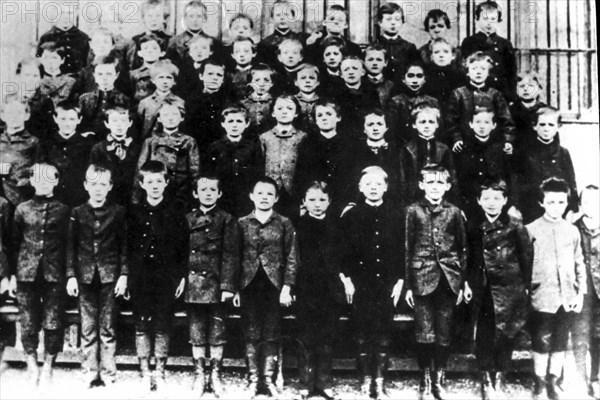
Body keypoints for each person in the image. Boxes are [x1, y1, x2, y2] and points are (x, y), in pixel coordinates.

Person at [339, 166, 404, 399]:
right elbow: (342, 254)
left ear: (386, 187)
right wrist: (347, 281)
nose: (373, 188)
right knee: (362, 332)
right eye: (368, 184)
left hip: (387, 284)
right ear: (360, 187)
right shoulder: (351, 216)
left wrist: (399, 281)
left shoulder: (396, 215)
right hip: (360, 284)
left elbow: (401, 252)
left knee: (383, 332)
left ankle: (380, 380)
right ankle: (366, 380)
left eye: (378, 184)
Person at [465, 179, 532, 400]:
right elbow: (469, 258)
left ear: (504, 201)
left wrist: (525, 287)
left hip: (509, 288)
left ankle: (500, 377)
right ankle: (486, 379)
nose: (491, 203)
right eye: (486, 198)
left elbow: (526, 258)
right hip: (484, 289)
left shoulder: (515, 225)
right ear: (478, 201)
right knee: (484, 334)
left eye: (496, 198)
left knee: (507, 334)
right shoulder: (474, 227)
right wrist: (468, 283)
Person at [404, 164, 467, 400]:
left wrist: (462, 282)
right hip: (421, 278)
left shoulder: (454, 212)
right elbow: (407, 248)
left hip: (449, 279)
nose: (435, 187)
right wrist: (409, 285)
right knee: (424, 331)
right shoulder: (412, 211)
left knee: (444, 331)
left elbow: (463, 249)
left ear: (448, 186)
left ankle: (440, 377)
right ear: (421, 185)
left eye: (440, 183)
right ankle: (425, 378)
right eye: (430, 182)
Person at [127, 160, 189, 392]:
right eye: (149, 182)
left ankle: (160, 372)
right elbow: (127, 246)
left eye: (159, 181)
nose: (154, 186)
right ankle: (145, 372)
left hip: (166, 278)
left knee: (163, 324)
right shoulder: (134, 212)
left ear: (166, 183)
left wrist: (181, 276)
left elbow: (184, 247)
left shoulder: (175, 212)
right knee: (142, 324)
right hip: (140, 277)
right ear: (142, 184)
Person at [234, 177, 298, 398]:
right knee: (251, 333)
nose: (264, 197)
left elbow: (291, 257)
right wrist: (234, 289)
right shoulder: (241, 223)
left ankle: (268, 380)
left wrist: (287, 287)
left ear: (276, 198)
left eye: (269, 194)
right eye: (259, 193)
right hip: (248, 285)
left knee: (271, 333)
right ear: (251, 196)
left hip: (274, 287)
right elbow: (234, 257)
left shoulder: (284, 223)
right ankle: (253, 380)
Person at [66, 164, 128, 388]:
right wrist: (71, 275)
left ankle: (109, 373)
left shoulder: (118, 212)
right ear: (85, 185)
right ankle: (89, 372)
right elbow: (70, 247)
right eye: (93, 184)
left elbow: (124, 247)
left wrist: (123, 275)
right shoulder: (77, 212)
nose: (98, 189)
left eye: (103, 184)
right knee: (88, 327)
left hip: (109, 276)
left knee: (107, 327)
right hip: (84, 277)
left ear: (110, 186)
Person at [10, 162, 70, 389]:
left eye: (48, 179)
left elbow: (68, 245)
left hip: (55, 274)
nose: (43, 183)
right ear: (32, 181)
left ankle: (48, 366)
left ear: (56, 181)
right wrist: (14, 276)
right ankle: (32, 364)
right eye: (39, 179)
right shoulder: (22, 209)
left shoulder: (64, 210)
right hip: (26, 274)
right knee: (28, 321)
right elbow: (14, 245)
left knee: (53, 321)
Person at [526, 177, 585, 400]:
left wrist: (579, 294)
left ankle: (553, 379)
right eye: (551, 202)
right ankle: (539, 380)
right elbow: (528, 263)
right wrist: (530, 290)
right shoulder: (531, 230)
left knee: (561, 340)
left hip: (567, 296)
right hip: (542, 296)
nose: (556, 207)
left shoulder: (572, 231)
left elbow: (579, 263)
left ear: (567, 203)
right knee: (541, 339)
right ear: (541, 202)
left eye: (561, 203)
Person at [185, 175, 238, 398]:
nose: (208, 193)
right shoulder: (188, 218)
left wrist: (227, 285)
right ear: (195, 194)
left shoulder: (226, 219)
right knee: (196, 331)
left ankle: (215, 374)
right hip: (194, 283)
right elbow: (182, 252)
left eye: (212, 189)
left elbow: (230, 255)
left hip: (217, 284)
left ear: (220, 194)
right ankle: (199, 375)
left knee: (217, 332)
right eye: (203, 189)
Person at [295, 182, 344, 400]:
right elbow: (292, 259)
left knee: (327, 336)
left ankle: (324, 382)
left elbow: (344, 258)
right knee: (306, 337)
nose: (317, 205)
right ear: (304, 202)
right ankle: (306, 383)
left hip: (330, 289)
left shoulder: (337, 225)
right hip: (306, 289)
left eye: (322, 200)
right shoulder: (298, 225)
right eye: (312, 200)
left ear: (330, 202)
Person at [512, 106, 578, 224]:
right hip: (531, 208)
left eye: (551, 125)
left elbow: (571, 182)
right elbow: (515, 180)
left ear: (558, 127)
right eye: (542, 124)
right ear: (534, 126)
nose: (546, 129)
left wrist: (572, 209)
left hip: (557, 210)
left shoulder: (563, 153)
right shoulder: (524, 153)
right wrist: (514, 206)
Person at [135, 100, 200, 211]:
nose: (170, 118)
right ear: (159, 119)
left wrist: (195, 201)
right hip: (156, 192)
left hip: (181, 193)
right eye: (165, 115)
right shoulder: (151, 142)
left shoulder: (189, 141)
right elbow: (140, 171)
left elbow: (195, 171)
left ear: (182, 118)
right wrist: (136, 200)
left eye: (174, 114)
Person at [446, 52, 515, 154]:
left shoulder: (495, 94)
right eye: (474, 69)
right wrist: (456, 139)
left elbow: (506, 120)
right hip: (466, 144)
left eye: (483, 69)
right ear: (467, 72)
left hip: (491, 144)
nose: (478, 72)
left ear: (488, 72)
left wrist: (508, 140)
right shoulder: (458, 94)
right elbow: (451, 120)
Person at [204, 105, 264, 218]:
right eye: (230, 121)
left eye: (239, 121)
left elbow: (258, 173)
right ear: (223, 124)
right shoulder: (215, 147)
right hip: (222, 197)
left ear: (246, 124)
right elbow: (208, 174)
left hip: (245, 197)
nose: (235, 125)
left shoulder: (252, 147)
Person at [259, 94, 307, 219]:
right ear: (273, 113)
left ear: (296, 113)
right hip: (271, 191)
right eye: (280, 109)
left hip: (293, 191)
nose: (284, 112)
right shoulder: (265, 137)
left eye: (289, 109)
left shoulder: (302, 137)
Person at [42, 100, 96, 208]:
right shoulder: (47, 143)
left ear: (79, 120)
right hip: (52, 199)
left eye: (72, 119)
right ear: (55, 119)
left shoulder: (87, 145)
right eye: (63, 119)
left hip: (78, 199)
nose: (67, 123)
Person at [399, 105, 456, 205]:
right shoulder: (407, 149)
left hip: (439, 197)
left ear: (437, 124)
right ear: (414, 124)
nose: (427, 125)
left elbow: (452, 177)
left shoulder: (443, 149)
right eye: (422, 122)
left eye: (431, 122)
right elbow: (403, 178)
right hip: (413, 198)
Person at [573, 185, 600, 398]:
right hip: (582, 291)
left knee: (598, 335)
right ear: (581, 204)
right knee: (581, 334)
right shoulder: (574, 228)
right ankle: (580, 379)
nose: (592, 206)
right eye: (587, 201)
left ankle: (595, 378)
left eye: (597, 201)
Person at [460, 0, 517, 101]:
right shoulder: (469, 42)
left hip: (500, 90)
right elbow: (463, 69)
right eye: (485, 18)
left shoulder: (504, 44)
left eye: (493, 19)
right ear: (476, 19)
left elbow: (511, 73)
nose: (489, 23)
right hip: (475, 90)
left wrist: (511, 96)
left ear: (498, 20)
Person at [89, 102, 141, 208]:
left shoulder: (137, 148)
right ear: (107, 124)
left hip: (129, 196)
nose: (119, 124)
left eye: (123, 120)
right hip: (106, 197)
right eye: (114, 121)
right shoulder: (98, 148)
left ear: (130, 123)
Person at [78, 54, 132, 140]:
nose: (104, 78)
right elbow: (79, 122)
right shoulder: (85, 99)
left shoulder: (124, 99)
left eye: (109, 74)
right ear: (94, 76)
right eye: (100, 74)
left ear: (116, 75)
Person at [184, 59, 233, 149]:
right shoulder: (191, 101)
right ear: (201, 76)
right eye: (210, 74)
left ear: (223, 80)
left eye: (219, 75)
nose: (214, 78)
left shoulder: (229, 103)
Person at [0, 100, 40, 207]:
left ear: (27, 115)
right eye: (9, 113)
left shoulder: (33, 142)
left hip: (19, 198)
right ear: (2, 116)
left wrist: (24, 179)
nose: (14, 117)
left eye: (18, 113)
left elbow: (38, 171)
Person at [36, 2, 90, 76]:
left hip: (78, 82)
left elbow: (86, 63)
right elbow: (39, 60)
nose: (65, 17)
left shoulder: (83, 37)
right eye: (61, 13)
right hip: (54, 81)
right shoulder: (47, 37)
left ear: (76, 13)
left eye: (69, 13)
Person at [137, 59, 183, 140]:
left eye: (168, 78)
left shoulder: (179, 102)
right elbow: (140, 126)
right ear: (153, 80)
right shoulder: (145, 103)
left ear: (174, 81)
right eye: (160, 77)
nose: (165, 81)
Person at [374, 2, 419, 82]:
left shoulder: (409, 47)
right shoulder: (375, 46)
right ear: (380, 23)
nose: (393, 23)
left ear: (402, 22)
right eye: (388, 19)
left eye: (397, 19)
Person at [257, 0, 307, 67]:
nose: (282, 18)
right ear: (272, 19)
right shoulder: (265, 44)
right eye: (278, 15)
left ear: (293, 18)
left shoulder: (303, 40)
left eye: (286, 14)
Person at [37, 42, 77, 106]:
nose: (50, 61)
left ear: (62, 60)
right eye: (46, 57)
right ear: (41, 59)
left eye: (54, 58)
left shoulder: (71, 82)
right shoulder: (37, 81)